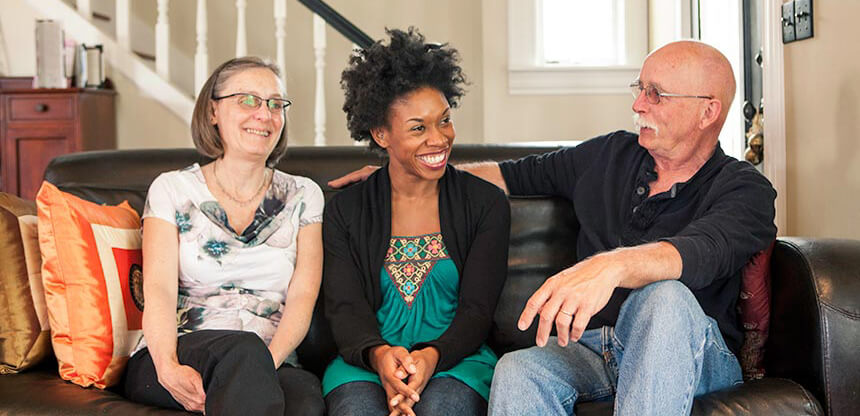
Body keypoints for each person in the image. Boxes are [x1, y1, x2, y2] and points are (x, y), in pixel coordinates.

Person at [329, 40, 777, 415]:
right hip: (595, 350)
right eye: (639, 88)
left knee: (663, 296)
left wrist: (612, 268)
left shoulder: (744, 189)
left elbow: (702, 250)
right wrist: (403, 169)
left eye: (656, 94)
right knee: (518, 370)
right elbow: (511, 175)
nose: (638, 103)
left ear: (707, 112)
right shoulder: (608, 156)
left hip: (693, 353)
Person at [322, 28, 511, 416]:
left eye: (444, 120)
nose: (439, 139)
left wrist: (431, 357)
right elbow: (345, 307)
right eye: (418, 128)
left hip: (458, 361)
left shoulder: (485, 204)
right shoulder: (347, 210)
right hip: (366, 363)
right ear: (380, 134)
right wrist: (379, 356)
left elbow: (477, 310)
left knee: (443, 408)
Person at [123, 57, 325, 416]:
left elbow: (302, 297)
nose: (264, 114)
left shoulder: (304, 195)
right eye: (247, 100)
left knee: (305, 403)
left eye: (275, 103)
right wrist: (167, 368)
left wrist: (265, 365)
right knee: (244, 351)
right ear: (213, 111)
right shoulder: (171, 189)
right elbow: (159, 289)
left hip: (272, 357)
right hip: (177, 353)